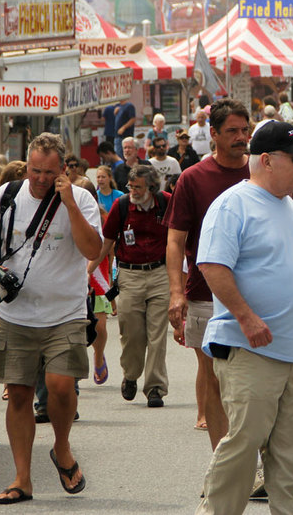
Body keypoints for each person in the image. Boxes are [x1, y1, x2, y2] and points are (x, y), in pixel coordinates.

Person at [195, 120, 293, 514]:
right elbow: (212, 265)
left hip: (292, 354)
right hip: (251, 348)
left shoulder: (288, 205)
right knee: (243, 448)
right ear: (266, 160)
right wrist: (246, 317)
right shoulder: (234, 203)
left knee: (291, 459)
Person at [0, 133, 102, 504]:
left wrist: (69, 205)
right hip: (15, 313)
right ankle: (22, 479)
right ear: (26, 165)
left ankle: (61, 447)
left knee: (61, 387)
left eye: (49, 172)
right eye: (35, 170)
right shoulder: (8, 194)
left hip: (65, 312)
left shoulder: (80, 199)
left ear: (63, 169)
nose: (41, 178)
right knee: (18, 394)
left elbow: (92, 249)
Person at [165, 99, 251, 448]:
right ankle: (224, 460)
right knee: (216, 376)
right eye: (232, 131)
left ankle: (252, 452)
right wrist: (176, 292)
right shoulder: (192, 178)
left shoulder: (260, 171)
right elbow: (175, 241)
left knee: (250, 380)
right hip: (203, 294)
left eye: (245, 130)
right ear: (212, 133)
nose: (241, 137)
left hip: (256, 294)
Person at [92, 164, 171, 408]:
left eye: (138, 187)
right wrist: (90, 268)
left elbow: (179, 238)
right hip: (129, 274)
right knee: (132, 333)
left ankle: (155, 387)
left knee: (157, 335)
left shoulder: (166, 202)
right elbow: (107, 241)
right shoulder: (122, 205)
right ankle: (131, 374)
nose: (133, 191)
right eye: (131, 186)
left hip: (160, 273)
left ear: (152, 187)